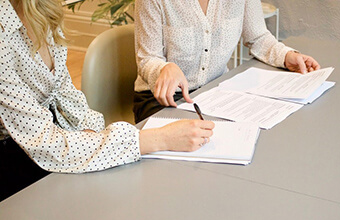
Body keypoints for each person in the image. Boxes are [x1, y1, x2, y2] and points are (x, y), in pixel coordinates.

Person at [0, 0, 215, 201]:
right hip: (16, 160)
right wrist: (159, 139)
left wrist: (91, 132)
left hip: (51, 139)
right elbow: (46, 144)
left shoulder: (43, 10)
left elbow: (64, 93)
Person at [133, 0, 321, 122]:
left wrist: (287, 56)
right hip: (162, 100)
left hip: (215, 93)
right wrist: (164, 69)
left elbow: (258, 37)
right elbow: (147, 58)